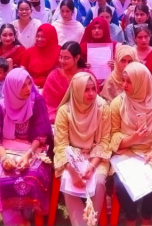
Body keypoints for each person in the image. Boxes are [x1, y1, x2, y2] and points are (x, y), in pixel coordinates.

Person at [0, 68, 53, 226]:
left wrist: (28, 156)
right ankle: (17, 221)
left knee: (32, 177)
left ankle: (23, 216)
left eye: (29, 83)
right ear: (12, 87)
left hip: (33, 150)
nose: (28, 89)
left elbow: (41, 135)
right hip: (5, 151)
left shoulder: (36, 102)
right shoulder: (2, 106)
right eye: (22, 86)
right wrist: (4, 158)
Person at [109, 63, 152, 226]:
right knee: (121, 185)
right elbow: (113, 134)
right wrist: (132, 139)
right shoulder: (117, 103)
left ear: (141, 81)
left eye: (129, 81)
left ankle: (146, 215)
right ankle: (130, 217)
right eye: (123, 80)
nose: (124, 85)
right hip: (126, 152)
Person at [54, 73, 111, 226]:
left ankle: (91, 223)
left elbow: (105, 141)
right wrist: (73, 172)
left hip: (96, 157)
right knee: (68, 181)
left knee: (99, 182)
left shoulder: (102, 108)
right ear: (77, 90)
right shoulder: (65, 111)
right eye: (86, 89)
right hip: (72, 158)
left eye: (93, 89)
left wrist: (91, 166)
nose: (91, 93)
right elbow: (60, 145)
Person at [42, 41, 92, 123]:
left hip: (84, 117)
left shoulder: (87, 75)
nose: (62, 61)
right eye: (60, 57)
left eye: (66, 58)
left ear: (77, 58)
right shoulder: (54, 76)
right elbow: (46, 104)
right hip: (57, 117)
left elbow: (93, 99)